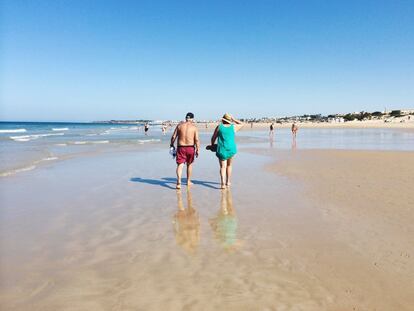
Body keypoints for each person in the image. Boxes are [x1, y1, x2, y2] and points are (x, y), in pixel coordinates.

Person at [210, 113, 244, 189]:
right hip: (231, 149)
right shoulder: (233, 127)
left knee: (223, 167)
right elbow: (242, 124)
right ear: (229, 120)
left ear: (223, 119)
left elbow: (213, 138)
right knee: (229, 165)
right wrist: (233, 119)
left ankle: (222, 184)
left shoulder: (219, 127)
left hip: (222, 149)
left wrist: (212, 145)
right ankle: (228, 182)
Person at [170, 112, 200, 189]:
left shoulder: (179, 126)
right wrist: (198, 149)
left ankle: (178, 182)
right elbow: (196, 140)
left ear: (185, 118)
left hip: (181, 147)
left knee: (180, 165)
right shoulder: (194, 127)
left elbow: (173, 137)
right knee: (189, 164)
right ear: (192, 119)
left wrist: (171, 144)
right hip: (190, 148)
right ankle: (188, 181)